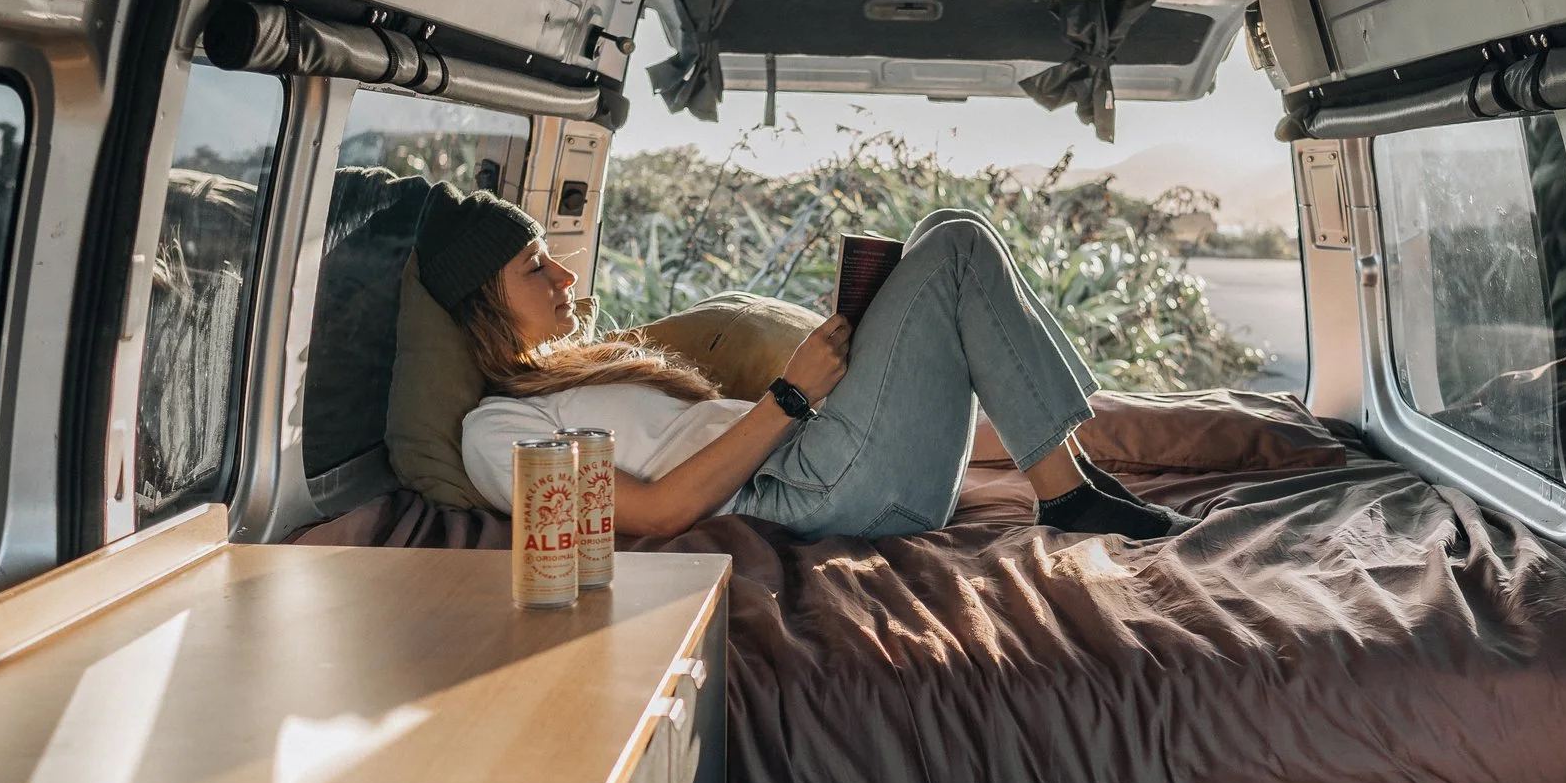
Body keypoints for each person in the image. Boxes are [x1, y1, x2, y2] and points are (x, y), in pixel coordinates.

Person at [423, 190, 1194, 542]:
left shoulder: (575, 376)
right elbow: (656, 517)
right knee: (956, 251)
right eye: (534, 267)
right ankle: (1065, 499)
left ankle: (1072, 478)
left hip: (824, 459)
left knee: (948, 224)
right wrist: (789, 395)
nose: (564, 277)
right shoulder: (497, 433)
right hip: (801, 493)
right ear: (484, 303)